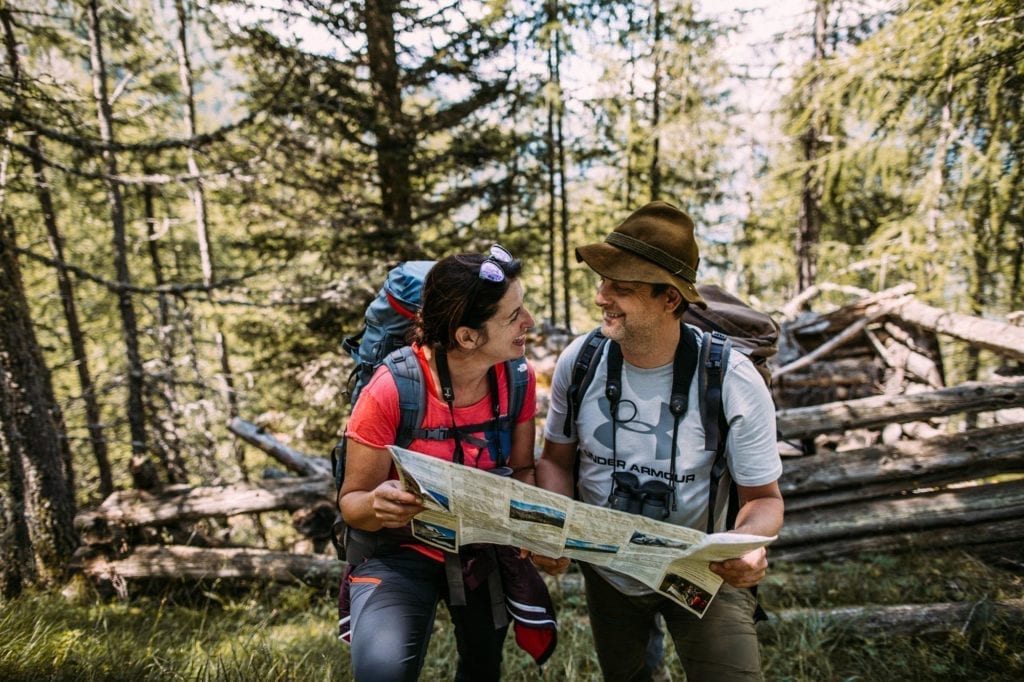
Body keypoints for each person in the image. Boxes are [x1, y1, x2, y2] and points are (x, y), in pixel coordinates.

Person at [533, 201, 784, 681]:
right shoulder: (580, 362)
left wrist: (746, 544)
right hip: (607, 574)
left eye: (621, 288)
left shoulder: (731, 379)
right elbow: (557, 463)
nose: (602, 296)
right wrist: (551, 524)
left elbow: (764, 499)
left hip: (702, 573)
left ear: (671, 299)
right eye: (602, 281)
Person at [339, 246, 555, 681]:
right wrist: (377, 503)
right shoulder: (390, 390)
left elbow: (523, 469)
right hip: (398, 550)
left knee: (481, 668)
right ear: (467, 337)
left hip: (482, 548)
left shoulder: (517, 379)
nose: (529, 321)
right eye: (514, 315)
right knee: (383, 673)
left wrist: (540, 525)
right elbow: (351, 502)